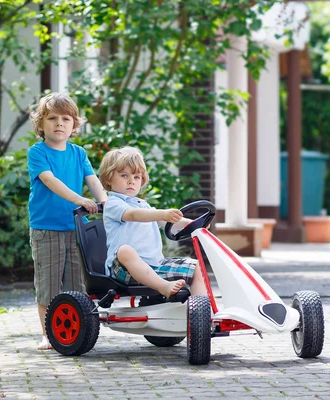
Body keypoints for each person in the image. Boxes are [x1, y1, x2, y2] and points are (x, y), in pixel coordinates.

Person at [27, 92, 107, 350]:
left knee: (77, 285)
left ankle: (78, 333)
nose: (59, 123)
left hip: (76, 229)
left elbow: (92, 181)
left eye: (65, 118)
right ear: (41, 124)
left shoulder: (78, 153)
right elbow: (51, 182)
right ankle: (47, 334)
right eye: (52, 118)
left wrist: (108, 203)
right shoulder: (37, 152)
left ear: (74, 125)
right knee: (48, 285)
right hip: (46, 228)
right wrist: (81, 200)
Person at [98, 146, 206, 299]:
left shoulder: (143, 204)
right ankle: (164, 287)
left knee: (196, 267)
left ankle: (201, 309)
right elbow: (134, 215)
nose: (131, 181)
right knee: (125, 251)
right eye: (124, 175)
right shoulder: (113, 203)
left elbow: (170, 221)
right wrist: (162, 213)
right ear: (108, 178)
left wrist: (195, 223)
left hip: (155, 265)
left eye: (136, 177)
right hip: (122, 269)